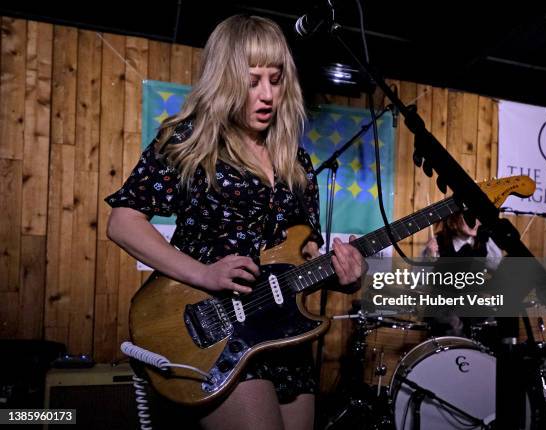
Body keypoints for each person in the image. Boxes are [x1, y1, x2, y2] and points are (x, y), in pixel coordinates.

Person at [105, 15, 365, 430]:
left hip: (283, 337)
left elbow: (305, 253)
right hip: (216, 330)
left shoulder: (295, 162)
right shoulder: (191, 140)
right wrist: (204, 274)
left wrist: (344, 275)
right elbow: (123, 222)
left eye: (276, 80)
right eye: (252, 80)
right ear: (225, 78)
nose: (267, 95)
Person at [422, 213, 502, 337]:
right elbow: (418, 281)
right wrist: (430, 257)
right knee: (452, 322)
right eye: (469, 218)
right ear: (453, 221)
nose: (476, 223)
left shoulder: (485, 242)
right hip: (443, 307)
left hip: (472, 305)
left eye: (479, 218)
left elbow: (499, 270)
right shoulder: (438, 243)